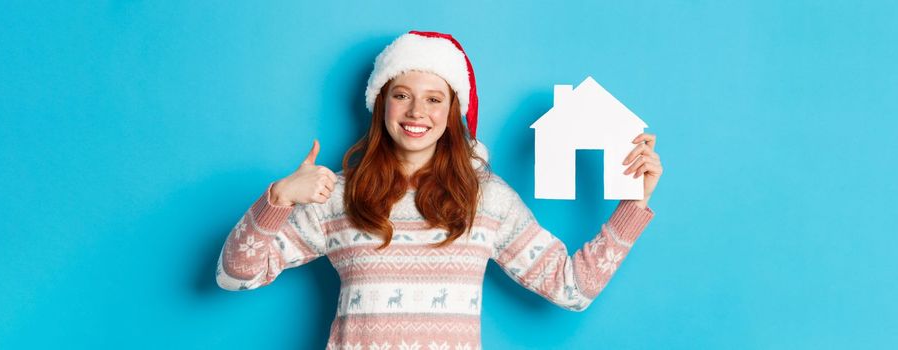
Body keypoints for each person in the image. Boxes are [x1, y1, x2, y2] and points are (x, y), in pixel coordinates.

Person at [215, 30, 662, 350]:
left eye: (434, 99)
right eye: (402, 94)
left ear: (452, 112)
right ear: (381, 104)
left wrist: (634, 203)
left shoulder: (487, 199)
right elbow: (234, 276)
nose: (416, 111)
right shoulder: (337, 196)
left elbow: (572, 289)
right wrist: (278, 199)